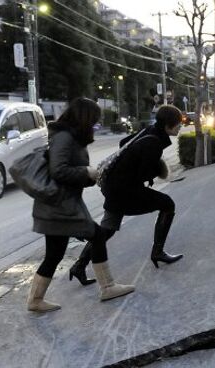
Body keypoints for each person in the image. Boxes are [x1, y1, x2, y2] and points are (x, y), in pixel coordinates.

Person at [28, 97, 134, 312]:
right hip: (61, 207)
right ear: (84, 118)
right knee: (97, 235)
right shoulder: (64, 137)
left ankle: (35, 300)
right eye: (94, 120)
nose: (95, 125)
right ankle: (108, 287)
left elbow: (66, 171)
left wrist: (90, 177)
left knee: (55, 254)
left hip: (58, 205)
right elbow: (58, 171)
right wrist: (86, 172)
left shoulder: (67, 136)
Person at [68, 105, 184, 286]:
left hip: (115, 186)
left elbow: (124, 144)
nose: (180, 127)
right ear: (168, 125)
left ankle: (79, 266)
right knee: (167, 204)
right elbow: (142, 173)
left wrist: (136, 165)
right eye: (178, 125)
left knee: (108, 229)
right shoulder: (154, 143)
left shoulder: (149, 131)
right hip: (124, 190)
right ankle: (157, 252)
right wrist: (153, 171)